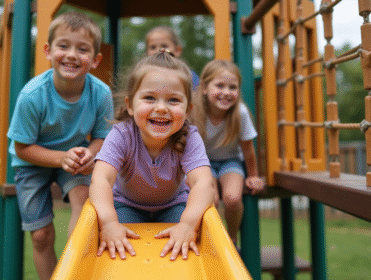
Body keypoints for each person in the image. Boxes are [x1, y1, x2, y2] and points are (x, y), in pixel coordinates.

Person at [7, 11, 113, 280]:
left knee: (84, 199)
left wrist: (90, 153)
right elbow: (22, 148)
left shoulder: (100, 93)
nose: (72, 55)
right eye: (63, 46)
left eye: (83, 49)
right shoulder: (33, 96)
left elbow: (103, 137)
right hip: (33, 162)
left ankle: (73, 269)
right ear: (48, 51)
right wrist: (60, 158)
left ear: (96, 60)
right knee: (41, 235)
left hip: (75, 156)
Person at [89, 51, 215, 261]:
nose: (161, 108)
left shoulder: (190, 137)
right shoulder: (122, 134)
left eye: (173, 100)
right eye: (149, 98)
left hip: (174, 206)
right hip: (126, 205)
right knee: (122, 251)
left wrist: (187, 224)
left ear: (187, 109)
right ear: (130, 105)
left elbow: (203, 182)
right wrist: (109, 223)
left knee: (187, 248)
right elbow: (101, 178)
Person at [190, 60, 264, 247]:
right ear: (205, 88)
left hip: (230, 161)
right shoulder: (195, 111)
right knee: (211, 199)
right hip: (202, 163)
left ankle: (231, 239)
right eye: (220, 85)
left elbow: (248, 148)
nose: (226, 92)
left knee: (232, 198)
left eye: (233, 87)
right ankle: (212, 239)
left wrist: (253, 176)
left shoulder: (240, 113)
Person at [145, 26, 200, 90]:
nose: (158, 51)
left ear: (177, 50)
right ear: (147, 51)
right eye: (153, 47)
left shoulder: (189, 76)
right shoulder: (143, 75)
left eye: (164, 46)